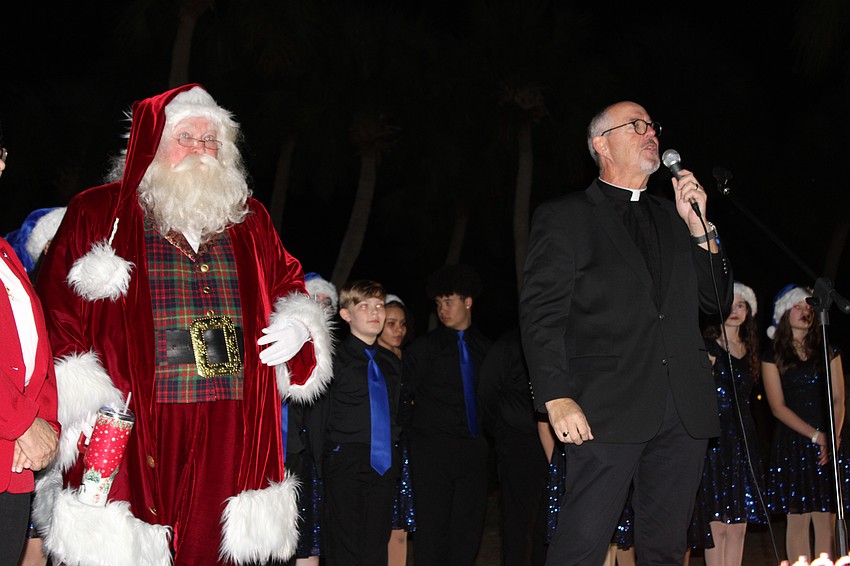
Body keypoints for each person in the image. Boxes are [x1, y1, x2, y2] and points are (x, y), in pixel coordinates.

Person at [32, 84, 334, 565]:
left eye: (212, 140)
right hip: (136, 416)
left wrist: (300, 324)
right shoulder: (97, 212)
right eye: (187, 136)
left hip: (229, 416)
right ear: (152, 145)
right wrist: (83, 403)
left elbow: (287, 284)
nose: (201, 150)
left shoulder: (250, 219)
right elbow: (55, 313)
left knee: (213, 549)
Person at [519, 100, 733, 565]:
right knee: (582, 543)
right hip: (604, 406)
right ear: (601, 144)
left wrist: (701, 228)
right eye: (635, 125)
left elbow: (717, 303)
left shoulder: (675, 217)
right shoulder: (565, 216)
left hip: (682, 409)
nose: (650, 131)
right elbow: (541, 316)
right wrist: (555, 396)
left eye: (652, 124)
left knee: (666, 548)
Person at [0, 130, 61, 566]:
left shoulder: (6, 257)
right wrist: (23, 422)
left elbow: (35, 352)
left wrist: (48, 425)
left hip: (14, 469)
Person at [406, 263, 492, 566]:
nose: (443, 309)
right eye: (438, 303)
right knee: (431, 528)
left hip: (473, 449)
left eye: (449, 301)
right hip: (432, 451)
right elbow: (404, 397)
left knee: (468, 527)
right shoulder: (425, 348)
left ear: (467, 302)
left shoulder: (487, 350)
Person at [312, 279, 402, 565]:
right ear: (346, 314)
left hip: (384, 463)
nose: (375, 312)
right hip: (346, 460)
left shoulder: (391, 363)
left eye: (379, 305)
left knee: (376, 544)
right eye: (364, 306)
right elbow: (319, 415)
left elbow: (396, 412)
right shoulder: (333, 358)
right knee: (346, 545)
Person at [762, 284, 848, 562]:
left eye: (808, 306)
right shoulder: (772, 354)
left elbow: (838, 399)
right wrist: (816, 436)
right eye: (797, 306)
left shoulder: (828, 350)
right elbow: (777, 407)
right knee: (797, 520)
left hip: (828, 442)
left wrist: (832, 436)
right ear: (785, 312)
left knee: (825, 519)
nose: (804, 311)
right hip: (794, 441)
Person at [688, 281, 767, 566]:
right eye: (730, 304)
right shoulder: (708, 346)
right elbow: (696, 394)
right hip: (716, 440)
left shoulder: (751, 350)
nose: (735, 310)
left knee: (739, 525)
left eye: (741, 305)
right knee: (717, 524)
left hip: (743, 441)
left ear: (749, 312)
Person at [478, 327, 549, 566]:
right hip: (518, 443)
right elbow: (486, 391)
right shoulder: (509, 344)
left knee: (546, 519)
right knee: (518, 522)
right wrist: (501, 429)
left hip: (555, 444)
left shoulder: (557, 337)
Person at [286, 272, 339, 566]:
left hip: (324, 463)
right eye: (313, 301)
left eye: (326, 303)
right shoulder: (282, 350)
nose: (320, 308)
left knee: (312, 542)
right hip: (288, 456)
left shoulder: (340, 358)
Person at [377, 294, 416, 566]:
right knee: (379, 528)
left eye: (401, 323)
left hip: (404, 451)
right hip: (378, 453)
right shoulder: (373, 361)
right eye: (391, 323)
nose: (398, 329)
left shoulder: (409, 360)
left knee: (400, 528)